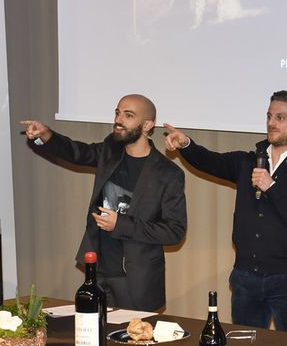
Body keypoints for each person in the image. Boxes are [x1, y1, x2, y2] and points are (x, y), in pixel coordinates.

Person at [163, 91, 287, 334]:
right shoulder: (248, 161)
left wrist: (271, 187)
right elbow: (210, 161)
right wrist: (186, 144)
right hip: (245, 277)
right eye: (269, 116)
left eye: (280, 118)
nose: (271, 123)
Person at [21, 94, 186, 310]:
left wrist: (121, 224)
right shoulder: (110, 150)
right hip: (98, 269)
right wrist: (47, 135)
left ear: (147, 125)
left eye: (128, 115)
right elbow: (77, 152)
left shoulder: (167, 173)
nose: (118, 120)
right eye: (117, 113)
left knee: (132, 331)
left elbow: (174, 231)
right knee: (92, 328)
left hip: (136, 278)